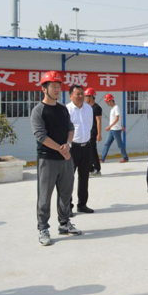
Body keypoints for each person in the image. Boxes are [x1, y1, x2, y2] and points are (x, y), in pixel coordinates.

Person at [31, 71, 82, 246]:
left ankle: (64, 223)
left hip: (66, 158)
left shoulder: (62, 109)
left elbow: (70, 128)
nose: (57, 89)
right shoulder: (38, 111)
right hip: (48, 160)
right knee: (45, 196)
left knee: (66, 193)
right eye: (53, 86)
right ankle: (43, 228)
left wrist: (68, 144)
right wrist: (62, 150)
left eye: (58, 86)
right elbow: (41, 135)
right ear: (44, 89)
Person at [66, 85, 95, 215]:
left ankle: (82, 204)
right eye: (77, 94)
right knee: (68, 179)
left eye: (82, 94)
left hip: (86, 146)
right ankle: (67, 207)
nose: (81, 96)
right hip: (72, 148)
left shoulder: (88, 108)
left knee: (84, 177)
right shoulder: (66, 110)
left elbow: (89, 126)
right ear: (70, 96)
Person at [100, 94, 129, 163]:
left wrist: (110, 126)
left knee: (120, 144)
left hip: (116, 130)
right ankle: (102, 159)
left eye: (108, 102)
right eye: (106, 102)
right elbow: (119, 118)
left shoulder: (116, 108)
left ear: (111, 100)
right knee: (107, 144)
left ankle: (125, 158)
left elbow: (117, 118)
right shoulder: (113, 108)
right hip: (112, 130)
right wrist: (121, 126)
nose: (107, 103)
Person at [84, 88, 102, 177]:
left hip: (93, 132)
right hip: (87, 131)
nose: (85, 98)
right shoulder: (87, 107)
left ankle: (96, 169)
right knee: (88, 150)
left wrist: (99, 134)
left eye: (86, 96)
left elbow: (98, 121)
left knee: (92, 150)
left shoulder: (96, 108)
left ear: (91, 97)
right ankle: (91, 168)